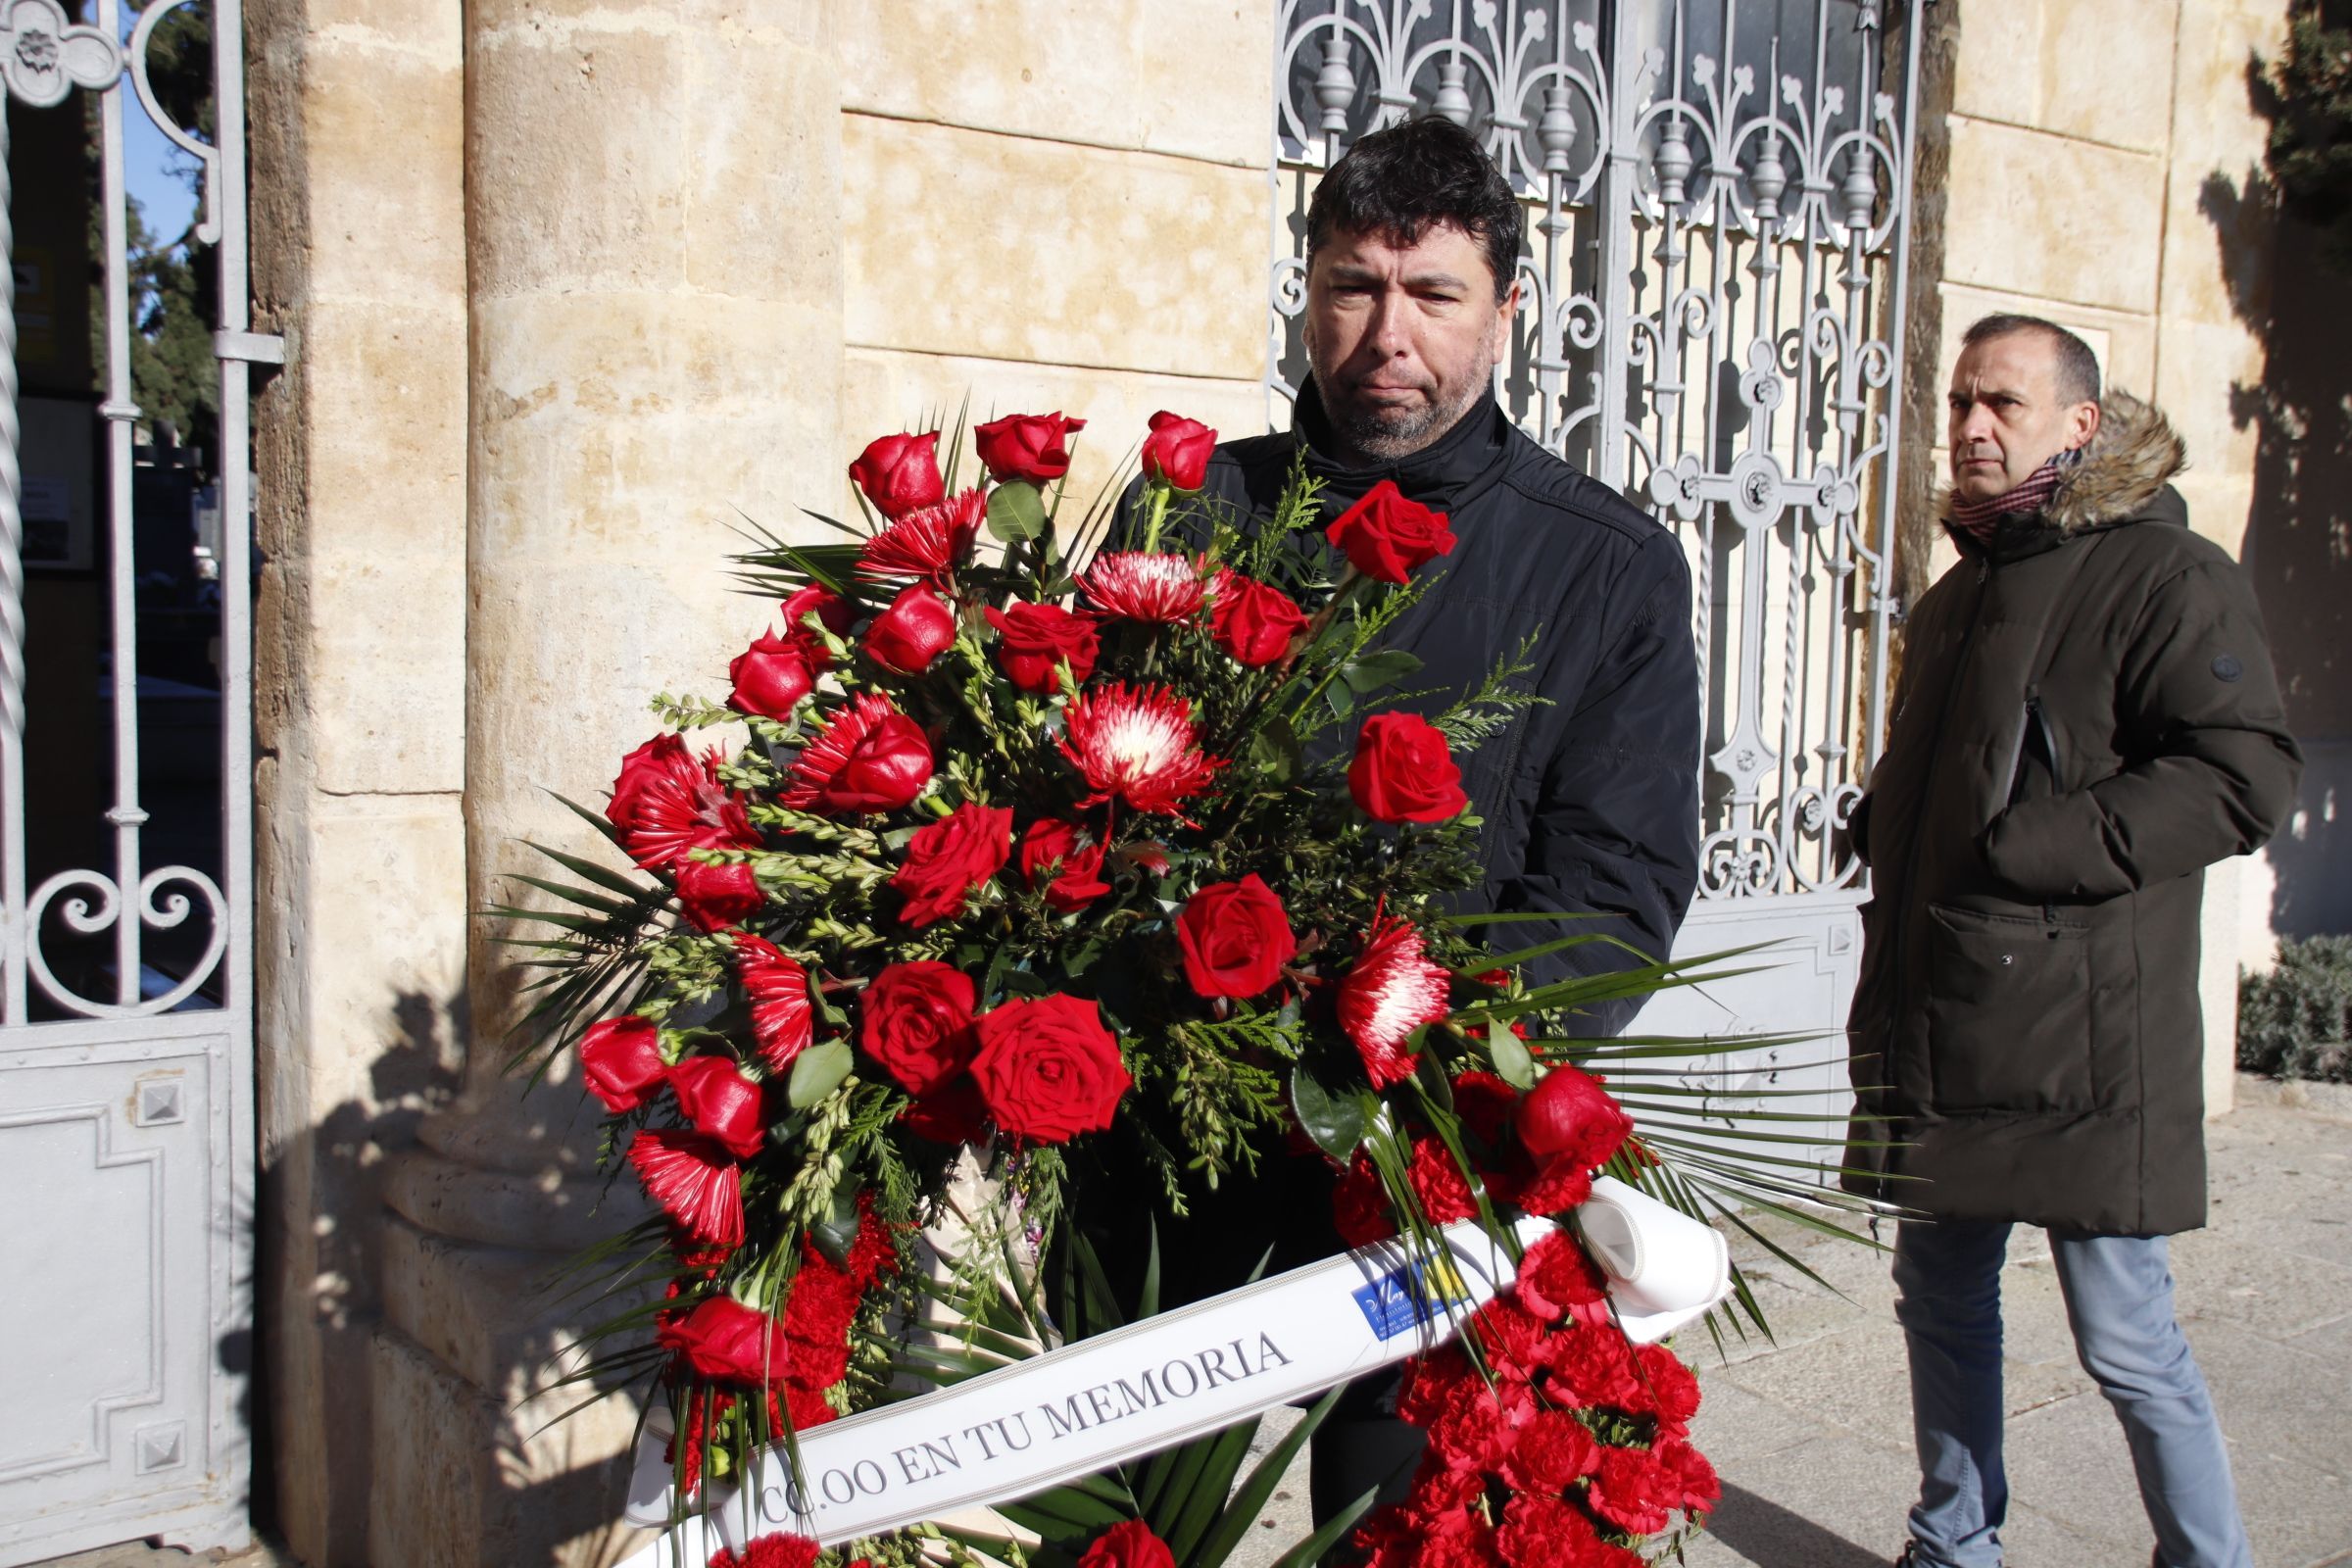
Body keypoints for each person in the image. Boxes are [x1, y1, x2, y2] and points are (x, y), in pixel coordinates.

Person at [1111, 114, 1704, 1525]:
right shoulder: (1195, 510)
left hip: (1428, 1161)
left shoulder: (1605, 567)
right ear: (1307, 296)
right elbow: (1095, 804)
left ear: (1507, 308)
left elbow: (1615, 902)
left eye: (1433, 293)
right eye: (1352, 288)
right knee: (1132, 1524)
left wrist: (1404, 1036)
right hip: (1173, 1141)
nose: (1389, 332)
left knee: (1401, 1520)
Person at [1843, 314, 2303, 1568]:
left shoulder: (2169, 574)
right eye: (1958, 404)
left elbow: (2241, 769)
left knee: (2127, 1336)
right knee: (1937, 1295)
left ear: (2080, 424)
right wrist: (1888, 816)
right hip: (1944, 1011)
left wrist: (2036, 846)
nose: (1973, 427)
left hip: (2084, 1039)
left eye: (2003, 403)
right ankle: (1954, 1543)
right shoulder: (1958, 595)